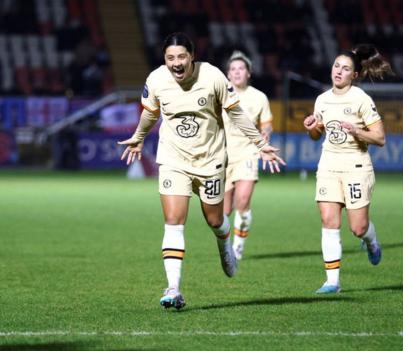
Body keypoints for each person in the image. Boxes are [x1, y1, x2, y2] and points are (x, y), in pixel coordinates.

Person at [119, 33, 285, 310]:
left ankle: (225, 245)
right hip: (174, 159)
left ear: (192, 56)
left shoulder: (213, 77)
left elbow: (235, 113)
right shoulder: (156, 80)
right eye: (170, 58)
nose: (176, 63)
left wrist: (259, 143)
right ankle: (173, 287)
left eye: (181, 56)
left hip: (210, 160)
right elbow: (150, 113)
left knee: (214, 219)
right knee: (173, 220)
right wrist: (139, 136)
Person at [302, 44, 392, 294]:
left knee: (358, 228)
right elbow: (315, 135)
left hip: (356, 167)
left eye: (345, 69)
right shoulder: (322, 99)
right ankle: (332, 281)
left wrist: (357, 131)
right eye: (336, 66)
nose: (338, 71)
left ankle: (371, 241)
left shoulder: (361, 99)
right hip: (329, 165)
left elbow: (380, 138)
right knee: (329, 220)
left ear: (355, 75)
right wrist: (312, 126)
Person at [222, 51, 274, 260]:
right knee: (223, 211)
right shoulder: (220, 95)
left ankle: (238, 248)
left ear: (249, 73)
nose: (237, 72)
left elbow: (267, 123)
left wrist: (266, 133)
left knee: (242, 201)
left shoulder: (259, 97)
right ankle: (225, 245)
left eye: (241, 69)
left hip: (248, 153)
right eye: (233, 69)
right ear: (227, 74)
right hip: (222, 156)